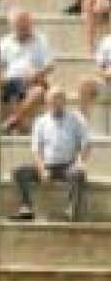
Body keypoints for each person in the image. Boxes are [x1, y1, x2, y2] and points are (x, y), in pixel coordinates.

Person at [12, 87, 90, 221]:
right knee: (19, 171)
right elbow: (36, 149)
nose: (55, 103)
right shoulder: (40, 121)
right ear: (47, 102)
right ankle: (26, 208)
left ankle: (71, 210)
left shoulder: (76, 119)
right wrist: (42, 170)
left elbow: (86, 144)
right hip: (46, 165)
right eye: (51, 100)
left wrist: (80, 163)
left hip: (68, 166)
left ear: (64, 101)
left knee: (79, 173)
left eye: (58, 99)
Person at [0, 9, 53, 134]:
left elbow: (50, 66)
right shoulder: (4, 42)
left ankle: (12, 120)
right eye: (19, 24)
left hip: (32, 81)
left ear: (30, 23)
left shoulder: (41, 40)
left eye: (25, 23)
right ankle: (14, 121)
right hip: (9, 80)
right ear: (12, 25)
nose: (23, 26)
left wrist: (36, 75)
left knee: (38, 92)